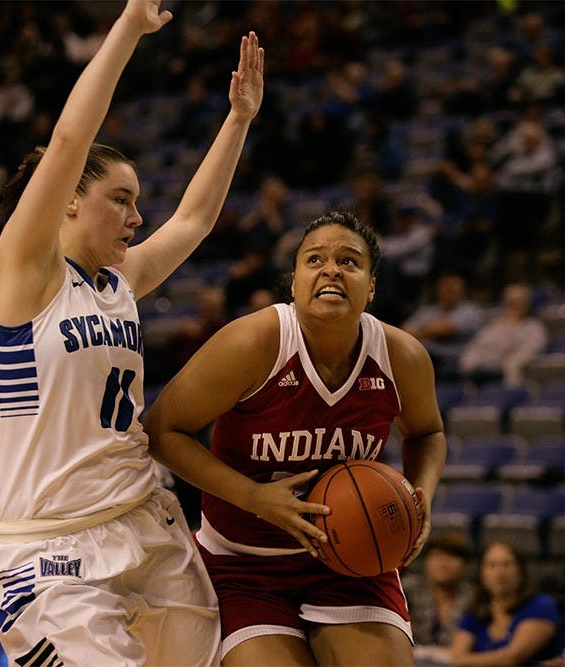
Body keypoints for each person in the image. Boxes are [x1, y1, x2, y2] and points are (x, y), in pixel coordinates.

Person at [0, 1, 264, 664]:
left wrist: (239, 119)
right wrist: (130, 27)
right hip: (50, 546)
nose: (138, 215)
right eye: (122, 198)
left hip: (147, 520)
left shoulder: (121, 282)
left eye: (138, 201)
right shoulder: (25, 273)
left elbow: (193, 220)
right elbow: (73, 140)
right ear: (69, 198)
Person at [145, 210, 448, 666]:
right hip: (244, 561)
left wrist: (421, 492)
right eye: (315, 259)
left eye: (349, 261)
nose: (331, 269)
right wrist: (254, 496)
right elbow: (162, 432)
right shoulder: (254, 342)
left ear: (371, 286)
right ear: (293, 282)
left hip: (354, 563)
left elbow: (428, 432)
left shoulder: (401, 356)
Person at [449, 540, 564, 666]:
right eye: (492, 565)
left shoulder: (540, 606)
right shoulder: (477, 609)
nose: (500, 572)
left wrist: (467, 660)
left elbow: (512, 658)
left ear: (521, 570)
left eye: (507, 564)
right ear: (482, 573)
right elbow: (457, 656)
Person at [458, 283, 547, 386]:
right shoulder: (494, 326)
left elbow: (531, 350)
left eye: (519, 302)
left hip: (509, 374)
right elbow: (476, 346)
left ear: (526, 304)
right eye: (511, 302)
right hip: (482, 373)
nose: (515, 306)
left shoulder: (535, 327)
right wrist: (469, 363)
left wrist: (511, 364)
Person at [401, 531, 474, 648]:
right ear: (425, 561)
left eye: (452, 556)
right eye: (437, 556)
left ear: (465, 565)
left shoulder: (474, 598)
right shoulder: (407, 590)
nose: (443, 563)